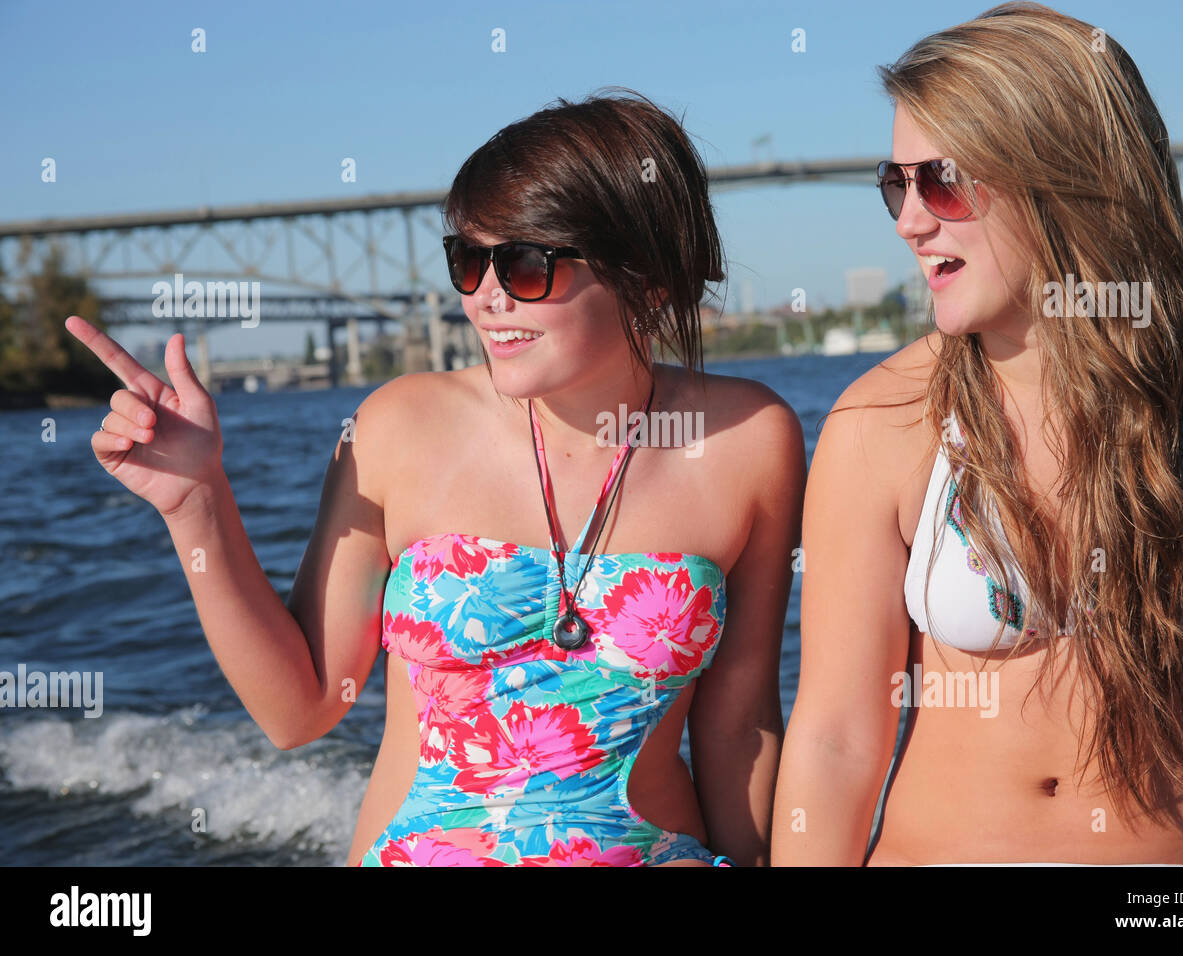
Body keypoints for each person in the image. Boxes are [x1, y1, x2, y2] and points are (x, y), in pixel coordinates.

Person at [67, 88, 804, 867]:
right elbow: (302, 710)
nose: (485, 297)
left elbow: (739, 730)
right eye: (468, 259)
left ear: (649, 280)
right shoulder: (398, 428)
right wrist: (195, 502)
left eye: (525, 265)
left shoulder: (747, 442)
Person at [773, 2, 1183, 865]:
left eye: (940, 180)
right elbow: (834, 740)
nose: (910, 221)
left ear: (1061, 175)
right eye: (893, 185)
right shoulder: (883, 419)